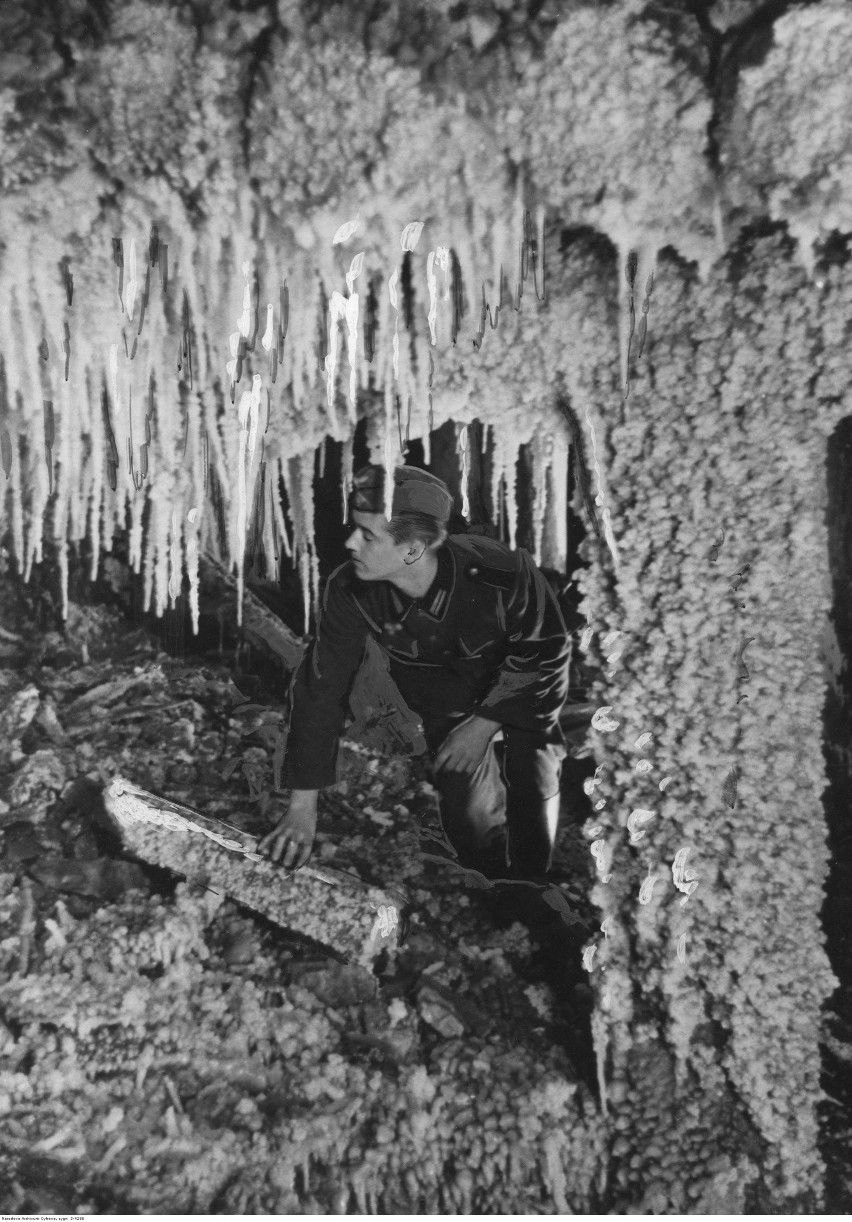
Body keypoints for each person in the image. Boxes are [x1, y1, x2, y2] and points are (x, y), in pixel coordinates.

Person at [258, 463, 570, 880]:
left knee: (533, 781)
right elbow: (321, 687)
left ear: (412, 550)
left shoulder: (502, 571)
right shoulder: (351, 587)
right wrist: (301, 809)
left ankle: (537, 880)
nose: (350, 543)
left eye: (367, 536)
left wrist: (483, 727)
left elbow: (545, 653)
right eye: (356, 529)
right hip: (445, 699)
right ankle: (494, 878)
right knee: (472, 829)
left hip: (523, 692)